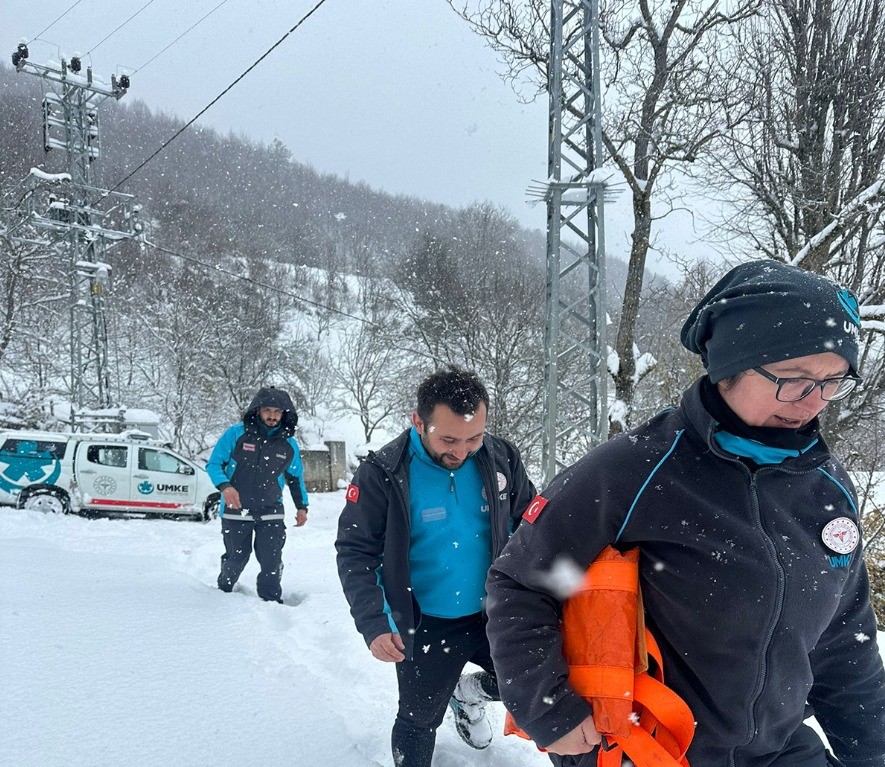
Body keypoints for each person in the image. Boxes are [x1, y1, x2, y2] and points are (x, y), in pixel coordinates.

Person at [485, 261, 885, 767]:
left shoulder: (828, 492)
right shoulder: (634, 470)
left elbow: (843, 646)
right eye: (794, 379)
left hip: (778, 752)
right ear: (731, 366)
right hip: (651, 744)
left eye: (832, 382)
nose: (814, 402)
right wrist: (550, 712)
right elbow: (522, 583)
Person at [335, 366, 536, 766]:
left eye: (473, 438)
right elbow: (357, 552)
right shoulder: (384, 472)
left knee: (532, 684)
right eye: (448, 439)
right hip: (425, 622)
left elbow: (530, 524)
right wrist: (374, 623)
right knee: (417, 722)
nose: (461, 451)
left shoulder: (500, 458)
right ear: (418, 421)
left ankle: (469, 693)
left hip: (492, 613)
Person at [207, 386, 308, 603]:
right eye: (268, 410)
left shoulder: (288, 444)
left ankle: (272, 602)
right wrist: (225, 486)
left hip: (271, 509)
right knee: (237, 557)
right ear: (258, 410)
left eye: (278, 411)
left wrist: (302, 506)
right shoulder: (236, 434)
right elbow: (214, 464)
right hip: (237, 509)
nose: (272, 416)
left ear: (284, 414)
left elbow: (295, 477)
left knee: (271, 559)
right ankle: (222, 593)